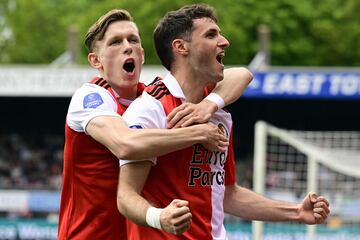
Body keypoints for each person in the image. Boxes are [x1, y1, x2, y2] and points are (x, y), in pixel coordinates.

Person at [117, 4, 330, 240]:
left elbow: (227, 194)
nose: (224, 41)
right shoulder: (151, 108)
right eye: (211, 35)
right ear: (180, 47)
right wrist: (159, 217)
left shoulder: (218, 110)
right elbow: (126, 196)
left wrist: (296, 213)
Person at [58, 8, 253, 240]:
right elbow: (125, 143)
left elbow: (240, 75)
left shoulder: (151, 97)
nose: (127, 46)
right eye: (115, 42)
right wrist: (199, 133)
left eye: (133, 40)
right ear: (95, 60)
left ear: (142, 54)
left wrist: (207, 105)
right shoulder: (91, 97)